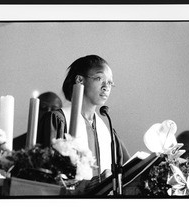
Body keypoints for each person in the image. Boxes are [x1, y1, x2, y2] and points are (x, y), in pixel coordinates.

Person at [38, 55, 130, 193]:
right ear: (80, 80)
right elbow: (47, 178)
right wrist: (95, 183)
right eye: (99, 79)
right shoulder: (57, 120)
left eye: (110, 83)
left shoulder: (107, 131)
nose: (106, 87)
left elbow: (129, 171)